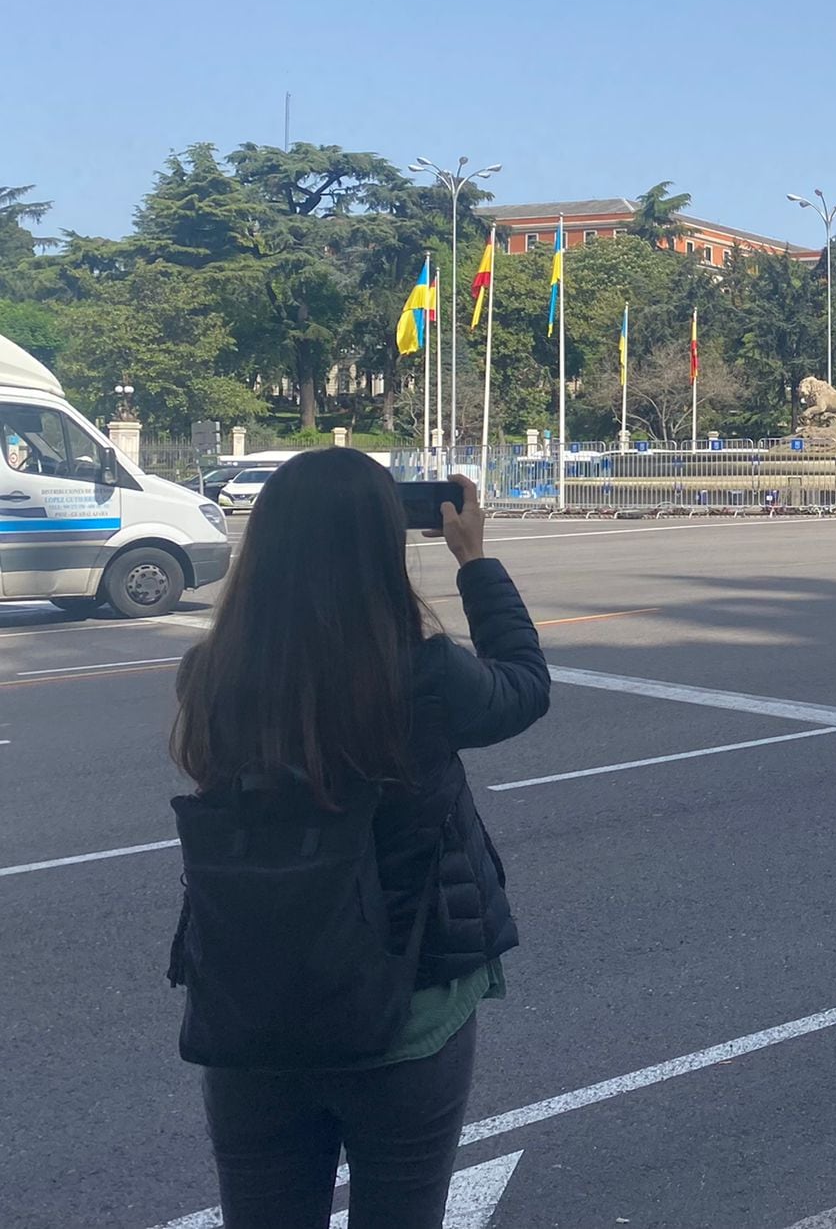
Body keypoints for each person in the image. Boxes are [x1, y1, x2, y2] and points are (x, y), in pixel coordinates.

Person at [168, 449, 549, 1228]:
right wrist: (475, 561)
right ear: (384, 545)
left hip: (253, 1005)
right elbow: (524, 686)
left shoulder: (209, 674)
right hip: (405, 1005)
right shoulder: (424, 675)